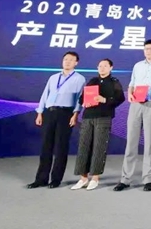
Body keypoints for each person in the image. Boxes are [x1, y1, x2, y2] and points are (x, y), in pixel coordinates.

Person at [114, 39, 151, 192]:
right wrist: (130, 94)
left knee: (150, 142)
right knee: (131, 142)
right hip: (136, 104)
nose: (148, 51)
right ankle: (125, 179)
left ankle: (148, 178)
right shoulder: (138, 66)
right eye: (146, 49)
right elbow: (132, 83)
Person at [27, 51, 86, 189]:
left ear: (76, 63)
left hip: (66, 113)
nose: (67, 62)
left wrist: (75, 114)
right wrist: (40, 112)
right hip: (49, 112)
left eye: (71, 60)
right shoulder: (53, 77)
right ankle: (41, 179)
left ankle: (56, 179)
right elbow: (45, 95)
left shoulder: (79, 79)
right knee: (45, 147)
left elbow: (80, 99)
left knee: (61, 147)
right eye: (65, 59)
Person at [71, 58, 125, 191]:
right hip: (88, 116)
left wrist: (104, 100)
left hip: (104, 117)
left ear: (111, 68)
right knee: (83, 146)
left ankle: (95, 178)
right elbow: (82, 98)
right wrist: (85, 102)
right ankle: (83, 178)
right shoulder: (93, 81)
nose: (102, 68)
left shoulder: (114, 82)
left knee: (99, 146)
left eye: (105, 66)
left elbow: (120, 98)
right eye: (100, 66)